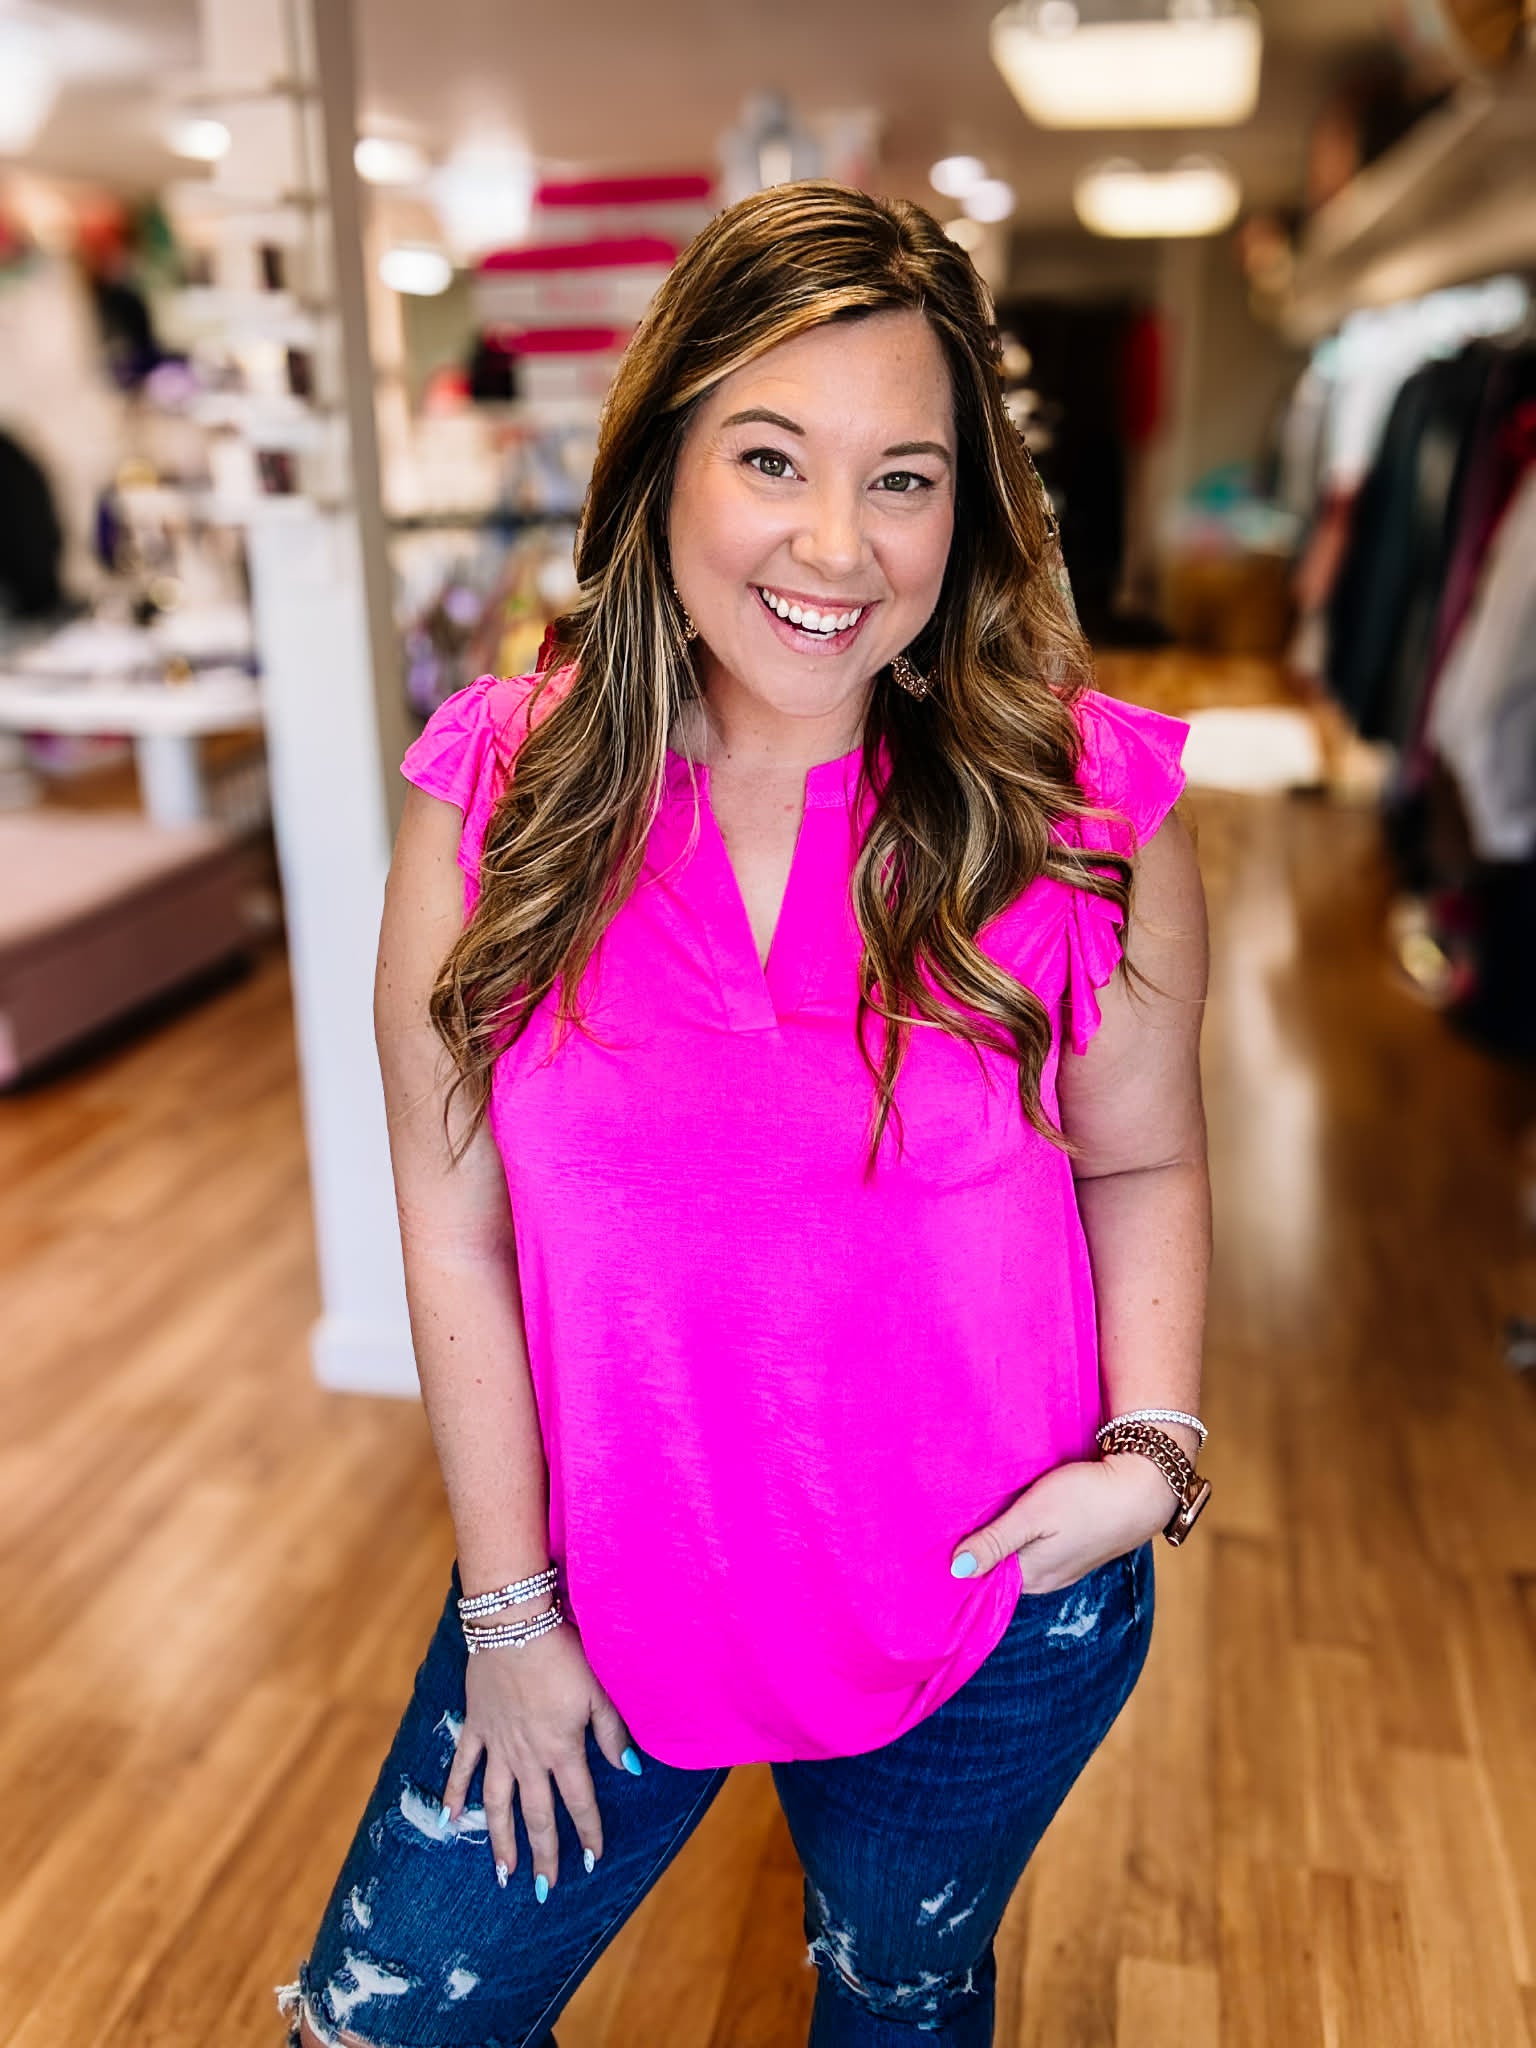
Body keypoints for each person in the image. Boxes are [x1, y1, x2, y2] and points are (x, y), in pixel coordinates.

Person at [278, 180, 1210, 2048]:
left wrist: (1157, 1452)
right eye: (772, 456)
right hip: (604, 1599)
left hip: (990, 1602)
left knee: (899, 1992)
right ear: (664, 467)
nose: (837, 545)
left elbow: (1145, 1153)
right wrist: (508, 1618)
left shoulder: (1084, 806)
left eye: (904, 478)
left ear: (969, 510)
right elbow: (451, 1214)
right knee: (382, 2027)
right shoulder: (499, 795)